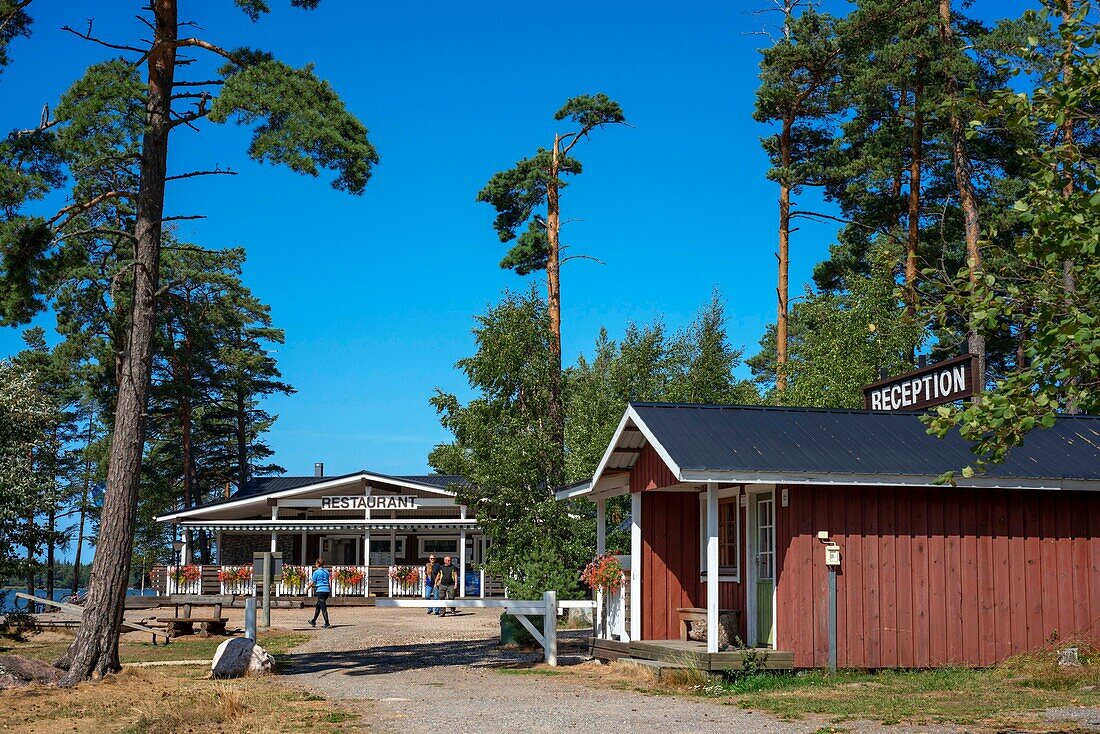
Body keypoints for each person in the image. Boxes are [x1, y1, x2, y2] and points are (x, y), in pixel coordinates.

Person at [306, 558, 332, 628]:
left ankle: (327, 623)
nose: (315, 564)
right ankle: (313, 621)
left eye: (316, 563)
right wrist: (330, 590)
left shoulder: (316, 572)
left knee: (323, 607)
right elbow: (329, 582)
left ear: (318, 564)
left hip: (320, 591)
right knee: (318, 606)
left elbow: (312, 582)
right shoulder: (326, 571)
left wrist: (307, 588)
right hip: (326, 590)